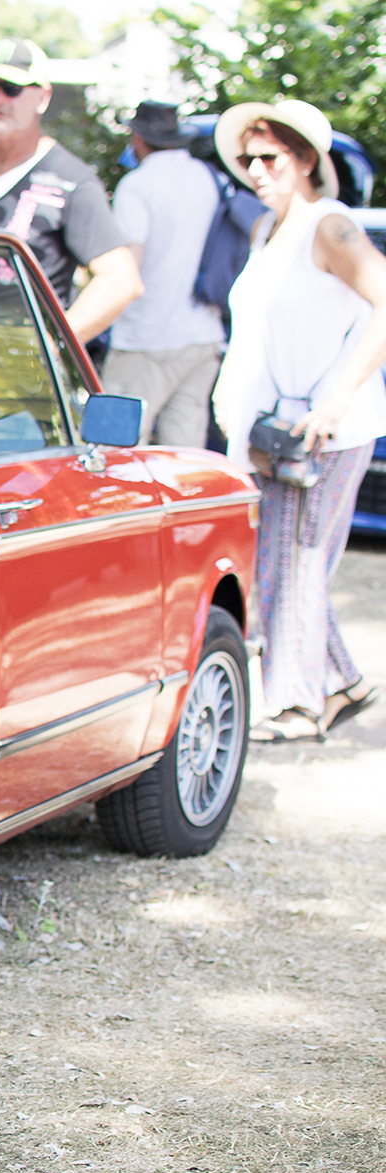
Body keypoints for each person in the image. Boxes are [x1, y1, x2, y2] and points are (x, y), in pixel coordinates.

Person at [209, 99, 385, 741]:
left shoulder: (328, 225)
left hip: (328, 431)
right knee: (278, 558)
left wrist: (337, 398)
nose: (255, 169)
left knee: (298, 560)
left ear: (306, 159)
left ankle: (297, 705)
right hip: (273, 432)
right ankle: (341, 682)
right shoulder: (267, 229)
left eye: (270, 157)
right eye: (247, 158)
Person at [0, 38, 142, 343]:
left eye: (12, 88)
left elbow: (121, 280)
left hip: (24, 363)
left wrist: (55, 345)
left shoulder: (72, 181)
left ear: (42, 96)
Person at [103, 102, 226, 447]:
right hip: (202, 334)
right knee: (182, 454)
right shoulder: (208, 177)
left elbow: (129, 268)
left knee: (115, 448)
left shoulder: (137, 185)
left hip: (146, 336)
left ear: (138, 138)